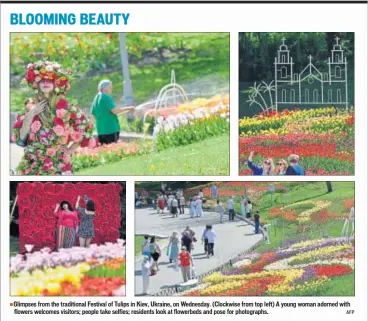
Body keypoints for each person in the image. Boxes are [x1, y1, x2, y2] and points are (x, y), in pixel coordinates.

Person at [12, 60, 95, 175]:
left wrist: (70, 149)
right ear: (37, 84)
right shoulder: (29, 108)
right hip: (34, 162)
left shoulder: (66, 108)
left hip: (58, 163)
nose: (45, 82)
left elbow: (85, 129)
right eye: (42, 80)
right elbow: (21, 140)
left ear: (56, 83)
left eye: (49, 80)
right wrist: (31, 114)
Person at [90, 79, 135, 145]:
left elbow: (92, 115)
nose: (111, 89)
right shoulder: (106, 97)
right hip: (111, 129)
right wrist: (129, 108)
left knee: (105, 151)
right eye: (110, 87)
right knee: (113, 149)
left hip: (100, 130)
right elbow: (114, 110)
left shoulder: (96, 98)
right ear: (106, 88)